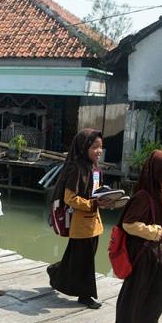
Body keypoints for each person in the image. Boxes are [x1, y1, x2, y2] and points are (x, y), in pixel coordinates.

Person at [114, 150, 162, 323]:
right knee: (137, 289)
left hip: (159, 249)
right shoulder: (143, 197)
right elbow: (128, 224)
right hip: (141, 250)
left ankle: (147, 321)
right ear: (161, 173)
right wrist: (152, 232)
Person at [47, 129, 107, 309]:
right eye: (95, 147)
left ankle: (55, 272)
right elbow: (70, 198)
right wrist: (93, 204)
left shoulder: (95, 168)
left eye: (101, 147)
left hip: (95, 222)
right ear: (84, 146)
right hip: (80, 224)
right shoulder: (76, 168)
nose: (98, 151)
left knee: (78, 258)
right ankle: (85, 295)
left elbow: (96, 190)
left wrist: (107, 197)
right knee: (84, 260)